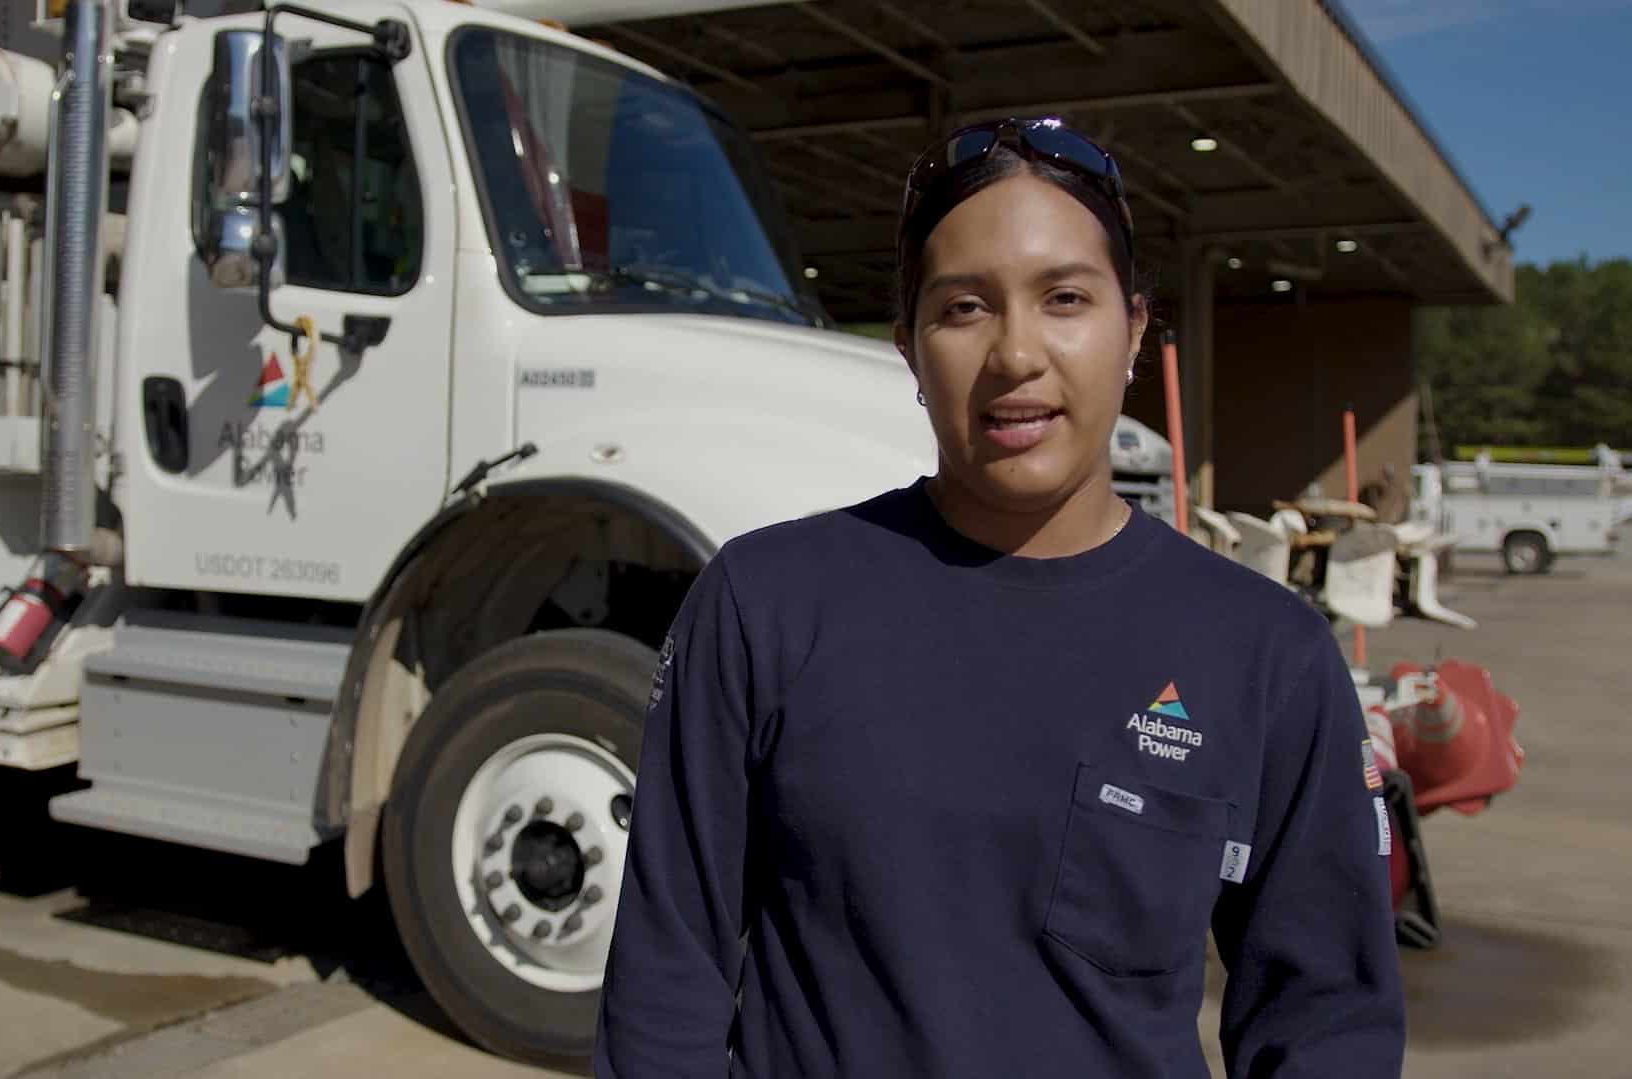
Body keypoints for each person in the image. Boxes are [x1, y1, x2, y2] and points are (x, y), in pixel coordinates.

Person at [593, 118, 1404, 1078]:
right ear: (908, 346)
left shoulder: (1266, 653)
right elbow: (664, 985)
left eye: (1065, 297)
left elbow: (1325, 1024)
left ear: (1134, 328)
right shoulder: (765, 604)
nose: (1017, 354)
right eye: (965, 308)